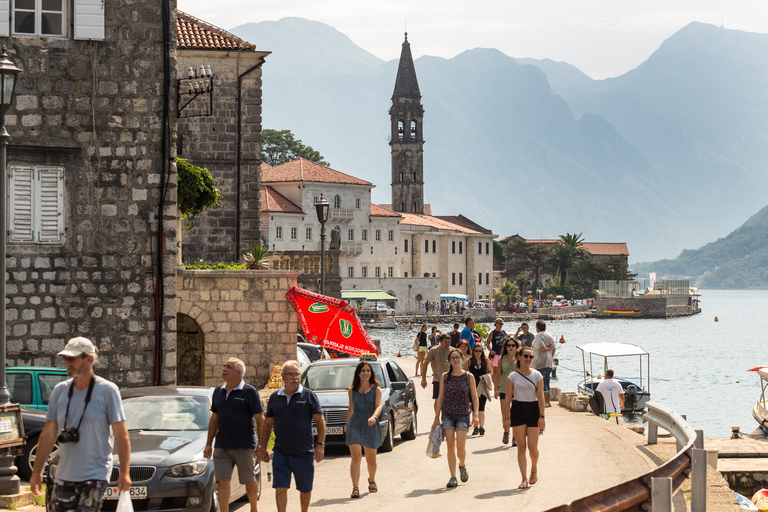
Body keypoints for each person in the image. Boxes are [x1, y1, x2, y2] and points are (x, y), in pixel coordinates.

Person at [30, 337, 131, 512]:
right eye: (66, 359)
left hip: (95, 474)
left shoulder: (108, 391)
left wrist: (124, 472)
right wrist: (37, 471)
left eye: (72, 359)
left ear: (88, 359)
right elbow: (48, 433)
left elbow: (121, 434)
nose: (67, 363)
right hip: (64, 474)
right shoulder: (60, 391)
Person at [258, 361, 325, 512]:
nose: (294, 378)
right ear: (283, 377)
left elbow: (320, 422)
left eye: (297, 374)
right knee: (280, 487)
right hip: (281, 452)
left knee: (305, 488)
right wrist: (263, 447)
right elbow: (267, 424)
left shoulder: (309, 396)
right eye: (291, 374)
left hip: (304, 452)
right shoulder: (275, 398)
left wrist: (320, 445)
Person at [204, 358, 263, 512]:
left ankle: (254, 509)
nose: (224, 369)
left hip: (244, 445)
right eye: (224, 366)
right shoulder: (218, 392)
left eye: (228, 367)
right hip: (222, 446)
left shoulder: (250, 392)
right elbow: (214, 419)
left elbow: (260, 419)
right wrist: (209, 443)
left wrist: (261, 445)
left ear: (238, 373)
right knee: (222, 481)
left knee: (248, 480)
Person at [432, 348, 479, 488]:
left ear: (462, 359)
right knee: (450, 446)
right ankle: (453, 477)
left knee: (460, 448)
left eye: (458, 357)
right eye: (453, 358)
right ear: (449, 361)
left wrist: (476, 415)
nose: (456, 360)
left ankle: (462, 464)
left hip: (463, 414)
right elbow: (440, 398)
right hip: (447, 414)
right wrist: (436, 417)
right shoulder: (445, 377)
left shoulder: (469, 376)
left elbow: (475, 397)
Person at [503, 346, 546, 489]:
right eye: (526, 356)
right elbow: (508, 397)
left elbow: (540, 397)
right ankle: (523, 478)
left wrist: (542, 416)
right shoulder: (513, 376)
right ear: (519, 357)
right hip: (518, 410)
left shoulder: (537, 375)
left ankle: (534, 468)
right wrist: (506, 418)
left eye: (530, 357)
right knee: (521, 447)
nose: (528, 359)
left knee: (533, 447)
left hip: (533, 410)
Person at [344, 361, 383, 498]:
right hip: (355, 424)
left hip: (370, 424)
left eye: (368, 370)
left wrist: (374, 417)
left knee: (371, 460)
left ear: (371, 373)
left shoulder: (376, 389)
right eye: (363, 371)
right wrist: (347, 423)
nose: (366, 373)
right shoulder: (352, 390)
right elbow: (351, 408)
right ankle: (355, 488)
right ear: (358, 373)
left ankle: (371, 480)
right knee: (356, 457)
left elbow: (379, 406)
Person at [421, 334, 453, 413]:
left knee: (450, 400)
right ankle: (437, 417)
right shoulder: (434, 350)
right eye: (445, 342)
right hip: (437, 379)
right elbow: (425, 364)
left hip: (450, 380)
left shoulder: (453, 351)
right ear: (440, 341)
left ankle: (448, 417)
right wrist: (423, 379)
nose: (447, 344)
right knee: (438, 400)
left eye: (449, 342)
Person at [467, 345, 493, 436]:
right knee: (474, 408)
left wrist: (485, 377)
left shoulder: (486, 361)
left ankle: (481, 427)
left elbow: (491, 372)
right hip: (472, 387)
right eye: (476, 351)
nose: (478, 353)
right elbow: (464, 371)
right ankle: (476, 427)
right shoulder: (469, 361)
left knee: (481, 407)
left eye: (480, 351)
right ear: (473, 352)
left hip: (482, 387)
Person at [498, 338, 519, 445]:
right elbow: (497, 374)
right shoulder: (501, 359)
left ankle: (515, 437)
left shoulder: (519, 359)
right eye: (509, 345)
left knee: (515, 413)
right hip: (503, 388)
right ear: (506, 347)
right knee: (505, 413)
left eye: (513, 345)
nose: (511, 347)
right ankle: (506, 431)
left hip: (517, 389)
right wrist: (496, 387)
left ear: (516, 347)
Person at [531, 320, 555, 407]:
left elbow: (542, 348)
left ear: (537, 328)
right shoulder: (549, 335)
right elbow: (554, 348)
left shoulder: (538, 336)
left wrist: (548, 348)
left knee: (541, 383)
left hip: (540, 363)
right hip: (548, 363)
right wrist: (550, 357)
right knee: (547, 382)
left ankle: (544, 402)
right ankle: (548, 402)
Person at [485, 319, 507, 396]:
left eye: (502, 324)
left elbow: (506, 342)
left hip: (503, 354)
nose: (501, 325)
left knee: (501, 372)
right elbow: (487, 343)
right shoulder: (492, 333)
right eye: (499, 323)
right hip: (496, 354)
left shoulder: (504, 332)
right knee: (495, 372)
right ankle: (496, 388)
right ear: (496, 324)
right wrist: (490, 350)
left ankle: (499, 386)